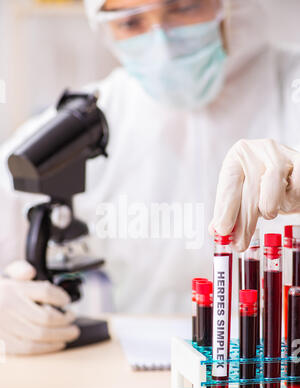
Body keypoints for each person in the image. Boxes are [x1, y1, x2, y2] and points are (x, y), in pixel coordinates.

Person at [0, 0, 299, 354]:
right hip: (137, 372)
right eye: (130, 22)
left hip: (280, 374)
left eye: (185, 7)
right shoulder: (91, 121)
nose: (162, 41)